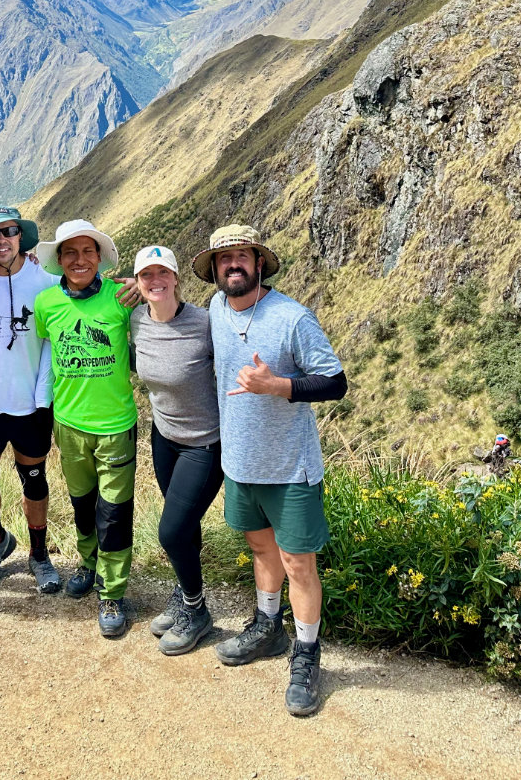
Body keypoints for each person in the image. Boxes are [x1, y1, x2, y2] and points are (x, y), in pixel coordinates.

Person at [194, 224, 348, 717]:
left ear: (259, 263)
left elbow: (335, 382)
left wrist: (277, 385)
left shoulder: (292, 318)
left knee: (299, 562)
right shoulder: (217, 309)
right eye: (224, 259)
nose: (232, 265)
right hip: (239, 461)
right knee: (260, 547)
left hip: (289, 466)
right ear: (215, 270)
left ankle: (306, 654)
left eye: (242, 256)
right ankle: (268, 626)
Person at [33, 219, 138, 638]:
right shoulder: (46, 305)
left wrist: (147, 284)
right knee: (82, 505)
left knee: (113, 512)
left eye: (88, 252)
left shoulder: (121, 298)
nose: (80, 260)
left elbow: (162, 313)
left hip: (115, 425)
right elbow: (47, 355)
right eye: (70, 253)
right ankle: (89, 562)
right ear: (59, 260)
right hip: (69, 425)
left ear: (100, 258)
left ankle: (112, 591)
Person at [0, 205, 63, 593]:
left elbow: (68, 319)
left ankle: (39, 554)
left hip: (32, 403)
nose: (1, 239)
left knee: (34, 479)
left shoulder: (46, 281)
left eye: (9, 232)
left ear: (22, 237)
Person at [129, 245, 223, 656]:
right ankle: (185, 593)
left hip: (205, 443)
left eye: (162, 273)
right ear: (137, 282)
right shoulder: (135, 320)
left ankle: (196, 611)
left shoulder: (204, 323)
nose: (155, 281)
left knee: (170, 529)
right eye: (146, 275)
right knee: (184, 526)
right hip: (164, 438)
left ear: (177, 278)